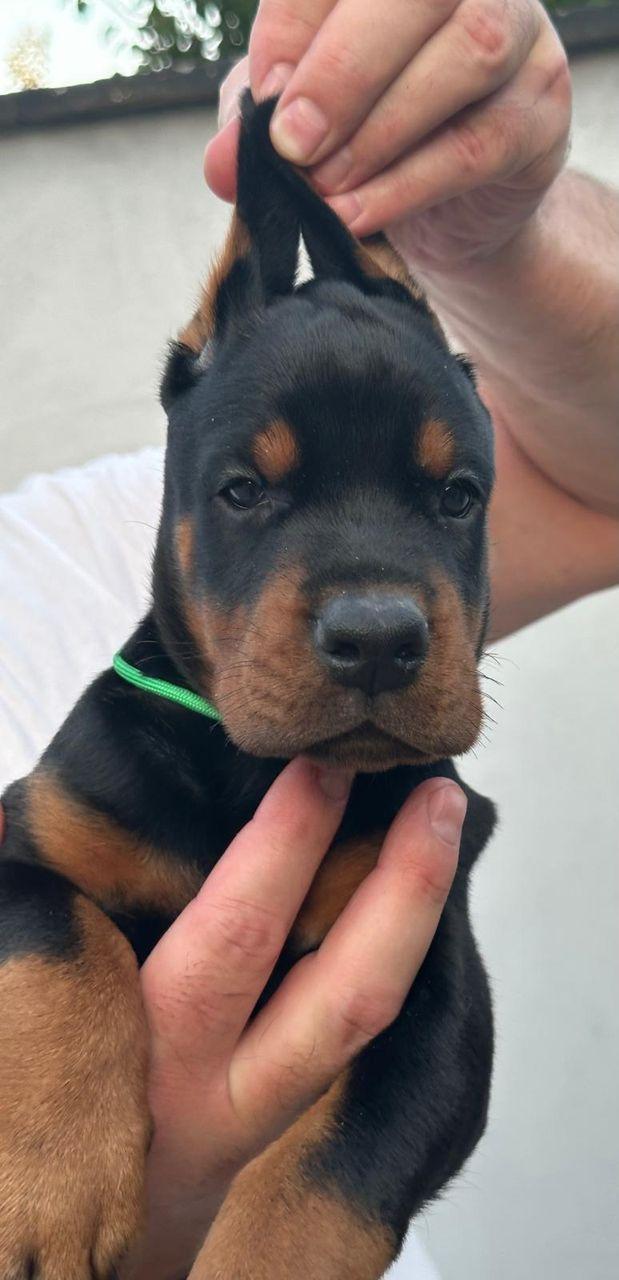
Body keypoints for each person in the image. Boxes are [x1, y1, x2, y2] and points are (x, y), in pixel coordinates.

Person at [0, 2, 617, 1277]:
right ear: (181, 499)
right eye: (249, 491)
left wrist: (497, 243)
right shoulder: (107, 757)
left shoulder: (395, 788)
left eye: (448, 494)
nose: (378, 610)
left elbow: (429, 1057)